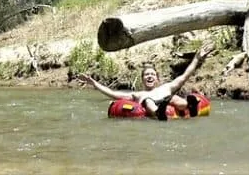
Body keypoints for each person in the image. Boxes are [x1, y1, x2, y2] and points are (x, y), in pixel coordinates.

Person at [77, 40, 215, 121]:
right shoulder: (138, 95)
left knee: (173, 98)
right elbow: (113, 94)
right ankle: (158, 113)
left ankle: (188, 106)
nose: (149, 76)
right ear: (143, 80)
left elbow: (185, 75)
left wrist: (197, 58)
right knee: (148, 100)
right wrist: (94, 83)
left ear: (157, 78)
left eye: (152, 74)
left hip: (167, 99)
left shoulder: (167, 87)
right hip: (153, 106)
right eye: (146, 75)